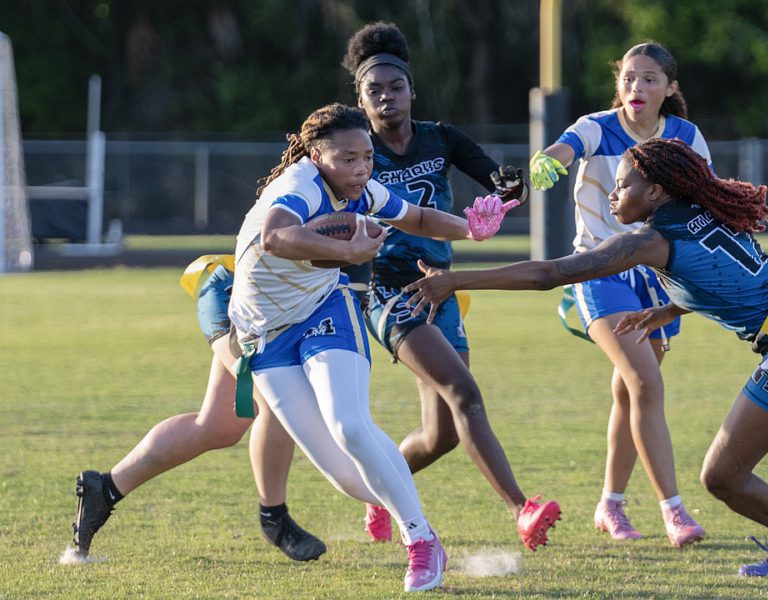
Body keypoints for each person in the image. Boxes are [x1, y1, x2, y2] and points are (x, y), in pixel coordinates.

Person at [404, 137, 768, 577]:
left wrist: (457, 279)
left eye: (623, 185)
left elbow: (550, 274)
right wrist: (670, 308)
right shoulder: (700, 208)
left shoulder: (651, 239)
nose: (613, 194)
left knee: (722, 478)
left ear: (657, 191)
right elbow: (726, 272)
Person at [227, 102, 513, 593]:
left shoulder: (361, 187)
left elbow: (416, 217)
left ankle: (421, 541)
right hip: (265, 332)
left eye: (366, 158)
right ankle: (415, 525)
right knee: (343, 476)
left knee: (350, 425)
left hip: (324, 309)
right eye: (347, 159)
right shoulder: (299, 186)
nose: (361, 169)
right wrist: (348, 250)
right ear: (316, 156)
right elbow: (274, 237)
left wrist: (471, 228)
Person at [340, 21, 561, 551]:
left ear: (412, 90)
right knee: (465, 392)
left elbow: (504, 184)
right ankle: (522, 510)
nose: (386, 98)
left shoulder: (441, 138)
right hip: (390, 293)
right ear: (360, 100)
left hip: (442, 287)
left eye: (395, 87)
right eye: (374, 91)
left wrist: (505, 196)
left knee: (439, 436)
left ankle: (378, 496)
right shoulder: (356, 151)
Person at [527, 42, 707, 546]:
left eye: (649, 79)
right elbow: (566, 146)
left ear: (669, 88)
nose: (636, 87)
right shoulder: (597, 126)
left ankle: (610, 505)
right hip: (600, 271)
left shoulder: (685, 136)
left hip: (658, 276)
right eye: (628, 78)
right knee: (645, 383)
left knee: (630, 392)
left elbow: (705, 196)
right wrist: (550, 161)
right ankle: (674, 511)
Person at [71, 255, 325, 562]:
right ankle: (274, 518)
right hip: (243, 299)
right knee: (277, 402)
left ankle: (105, 489)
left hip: (278, 304)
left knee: (219, 425)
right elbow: (279, 238)